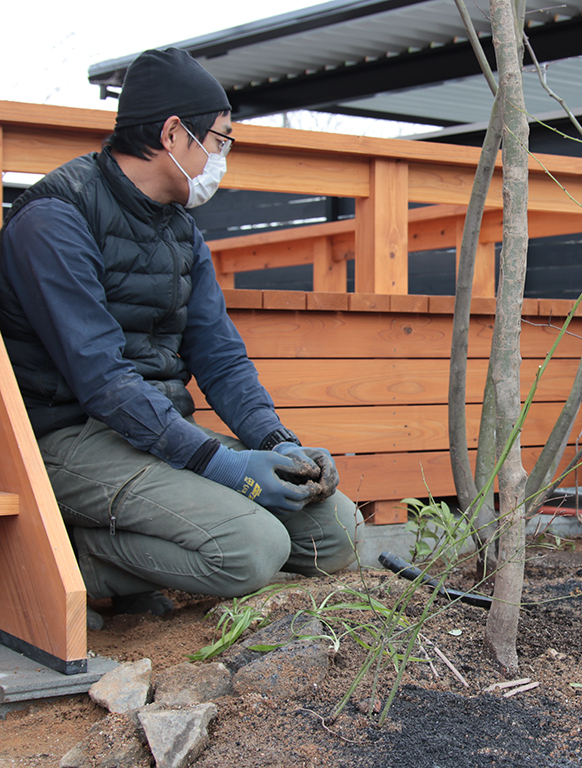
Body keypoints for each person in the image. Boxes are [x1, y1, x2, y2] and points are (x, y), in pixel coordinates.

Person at [0, 48, 360, 628]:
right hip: (65, 437)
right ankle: (70, 557)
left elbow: (217, 353)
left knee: (335, 534)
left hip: (156, 430)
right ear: (173, 133)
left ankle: (130, 551)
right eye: (219, 140)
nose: (222, 157)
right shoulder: (54, 218)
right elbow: (102, 378)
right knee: (252, 549)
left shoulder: (180, 229)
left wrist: (276, 441)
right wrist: (221, 466)